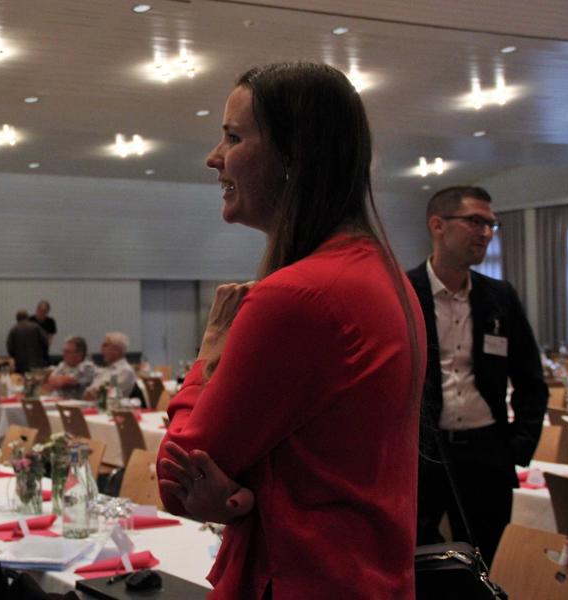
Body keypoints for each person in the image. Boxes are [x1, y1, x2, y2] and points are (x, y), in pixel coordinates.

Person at [155, 62, 426, 599]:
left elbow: (174, 476)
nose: (214, 158)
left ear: (293, 158)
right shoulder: (384, 276)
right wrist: (248, 489)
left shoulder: (297, 296)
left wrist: (210, 355)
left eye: (233, 137)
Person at [409, 185, 547, 564]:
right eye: (475, 222)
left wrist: (519, 447)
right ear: (438, 225)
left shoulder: (499, 296)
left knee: (491, 556)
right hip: (423, 453)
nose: (486, 232)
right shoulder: (403, 292)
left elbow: (531, 379)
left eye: (491, 224)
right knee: (419, 557)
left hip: (488, 451)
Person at [82, 332, 137, 400]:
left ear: (117, 349)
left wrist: (94, 392)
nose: (101, 350)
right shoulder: (106, 370)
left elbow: (110, 396)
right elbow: (88, 393)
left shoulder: (125, 371)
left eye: (105, 346)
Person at [6, 309, 48, 374]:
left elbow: (10, 347)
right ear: (27, 317)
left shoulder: (14, 330)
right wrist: (43, 355)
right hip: (37, 364)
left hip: (21, 365)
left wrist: (15, 356)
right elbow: (45, 342)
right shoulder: (36, 327)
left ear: (17, 319)